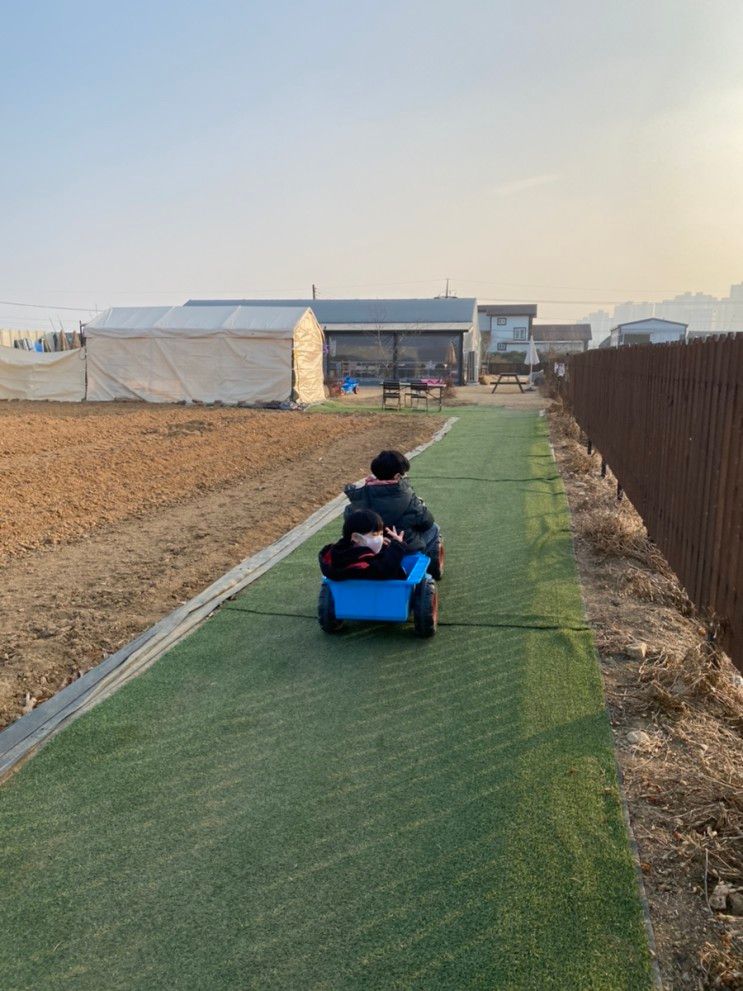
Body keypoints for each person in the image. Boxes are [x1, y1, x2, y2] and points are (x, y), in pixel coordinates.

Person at [343, 450, 442, 576]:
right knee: (434, 529)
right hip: (404, 546)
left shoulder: (360, 496)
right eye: (403, 474)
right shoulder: (407, 496)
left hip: (366, 550)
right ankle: (432, 569)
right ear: (397, 476)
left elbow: (348, 518)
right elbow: (426, 522)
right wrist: (421, 505)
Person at [319, 509, 411, 580]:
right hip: (382, 597)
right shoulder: (363, 564)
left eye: (381, 534)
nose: (380, 539)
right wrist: (398, 545)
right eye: (375, 535)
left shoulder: (337, 557)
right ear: (356, 538)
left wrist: (386, 547)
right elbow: (385, 569)